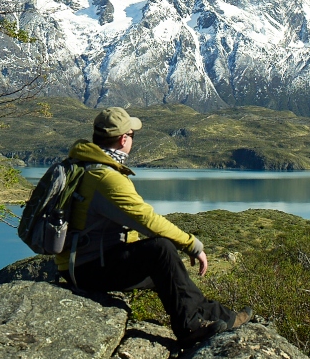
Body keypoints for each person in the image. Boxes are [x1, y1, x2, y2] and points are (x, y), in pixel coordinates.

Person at [57, 106, 250, 346]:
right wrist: (193, 245)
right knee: (160, 249)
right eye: (132, 135)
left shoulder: (83, 164)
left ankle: (219, 316)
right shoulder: (105, 178)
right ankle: (190, 329)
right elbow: (147, 220)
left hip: (82, 263)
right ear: (123, 139)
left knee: (172, 274)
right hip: (87, 269)